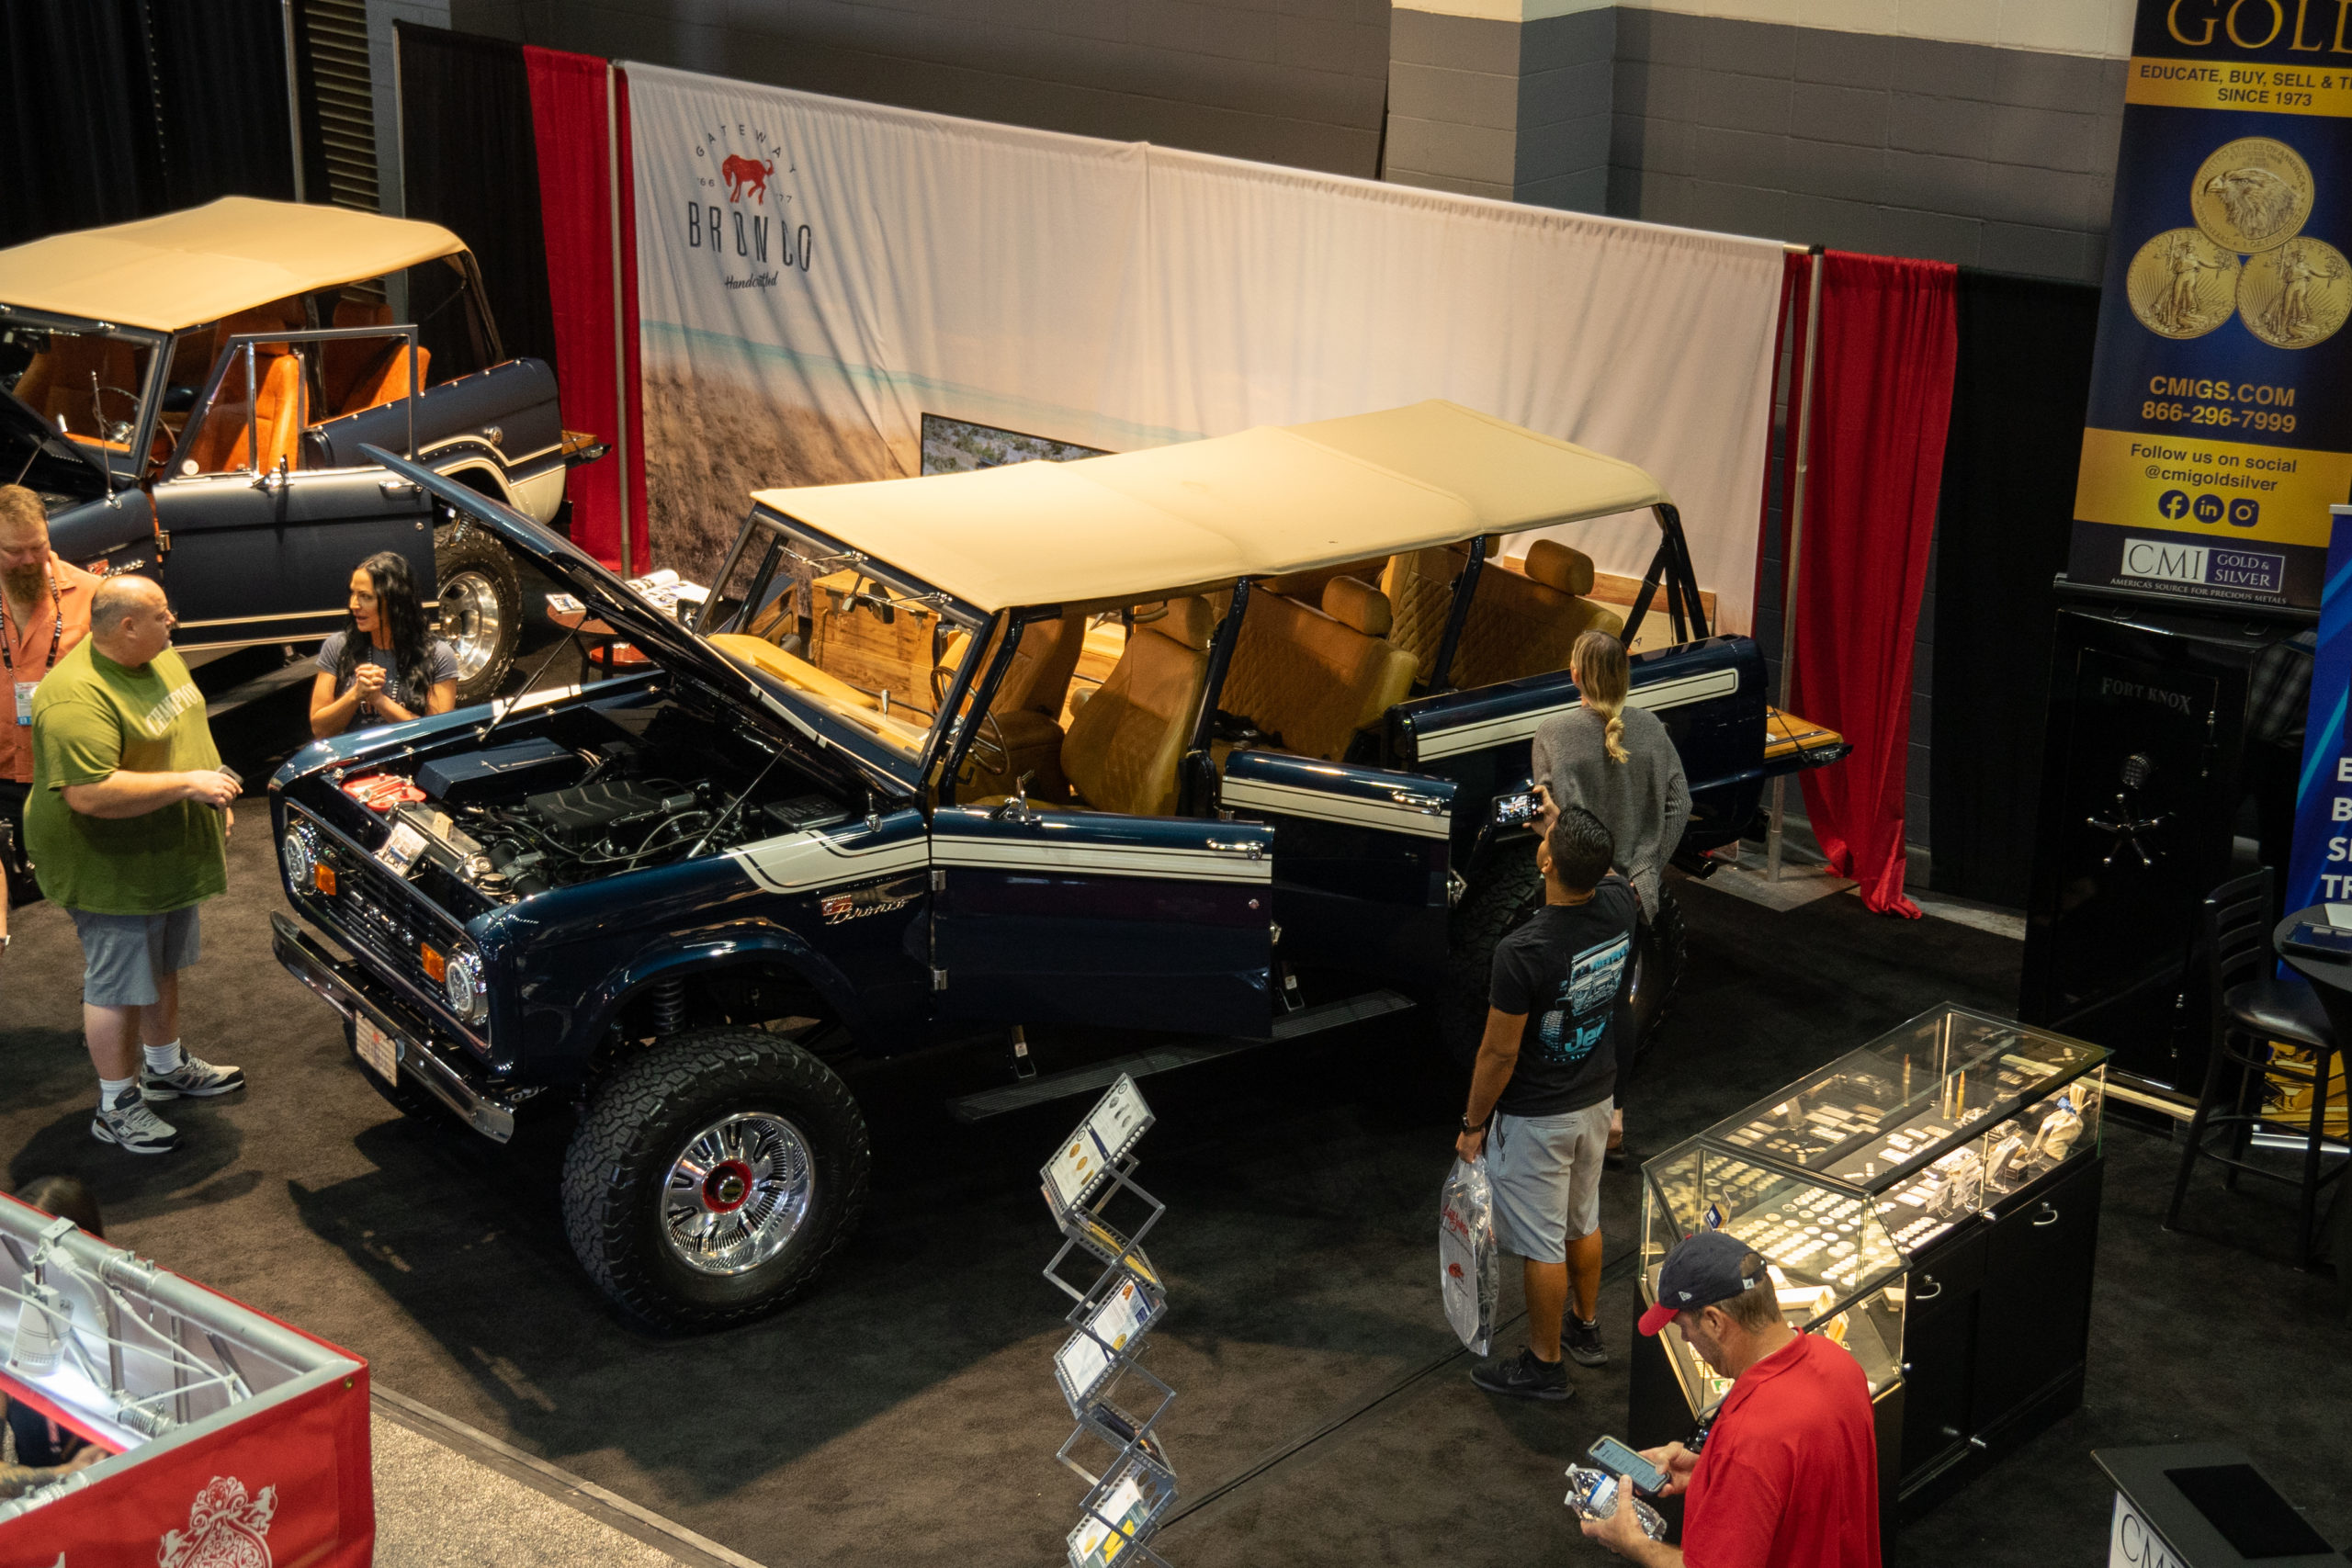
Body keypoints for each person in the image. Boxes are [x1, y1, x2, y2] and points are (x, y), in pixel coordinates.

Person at [25, 573, 245, 1156]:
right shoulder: (76, 696)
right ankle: (115, 1105)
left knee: (161, 963)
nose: (172, 622)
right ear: (126, 626)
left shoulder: (159, 657)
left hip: (162, 848)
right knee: (119, 982)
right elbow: (88, 793)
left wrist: (212, 784)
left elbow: (187, 721)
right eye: (162, 615)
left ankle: (164, 1069)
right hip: (106, 865)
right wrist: (187, 785)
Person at [1457, 805, 1638, 1400]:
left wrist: (1473, 1123)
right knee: (1582, 1219)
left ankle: (1545, 1365)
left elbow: (1497, 1055)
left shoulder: (1522, 949)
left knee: (1541, 1244)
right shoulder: (1620, 905)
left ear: (1545, 861)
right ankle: (1584, 1328)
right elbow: (1609, 869)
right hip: (1595, 1097)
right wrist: (1564, 827)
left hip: (1538, 1116)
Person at [1581, 1229, 1882, 1568]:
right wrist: (1709, 1473)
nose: (1683, 1337)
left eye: (1683, 1328)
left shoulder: (1748, 1440)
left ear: (1713, 1321)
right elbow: (1802, 1483)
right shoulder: (1840, 1364)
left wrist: (1636, 1544)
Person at [1531, 628, 1690, 1167]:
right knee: (1617, 1001)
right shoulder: (1651, 730)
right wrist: (1648, 867)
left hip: (1576, 889)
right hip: (1634, 895)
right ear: (1626, 675)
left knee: (1564, 1004)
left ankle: (1566, 1113)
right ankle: (1616, 1114)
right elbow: (1681, 804)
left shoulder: (1552, 733)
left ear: (1575, 675)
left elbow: (1549, 820)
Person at [0, 484, 102, 956]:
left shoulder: (93, 596)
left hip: (68, 777)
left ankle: (104, 1002)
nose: (28, 559)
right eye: (13, 550)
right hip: (1, 773)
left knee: (93, 902)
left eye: (37, 546)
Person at [2, 1176, 110, 1497]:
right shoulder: (5, 1330)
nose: (32, 1269)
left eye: (41, 1255)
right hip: (47, 1513)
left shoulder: (138, 1320)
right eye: (18, 1253)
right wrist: (64, 1474)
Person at [309, 550, 458, 738]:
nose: (354, 604)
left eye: (366, 597)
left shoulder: (438, 655)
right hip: (356, 762)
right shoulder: (338, 646)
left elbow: (437, 736)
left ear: (395, 602)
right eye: (353, 594)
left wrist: (379, 700)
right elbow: (320, 730)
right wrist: (355, 694)